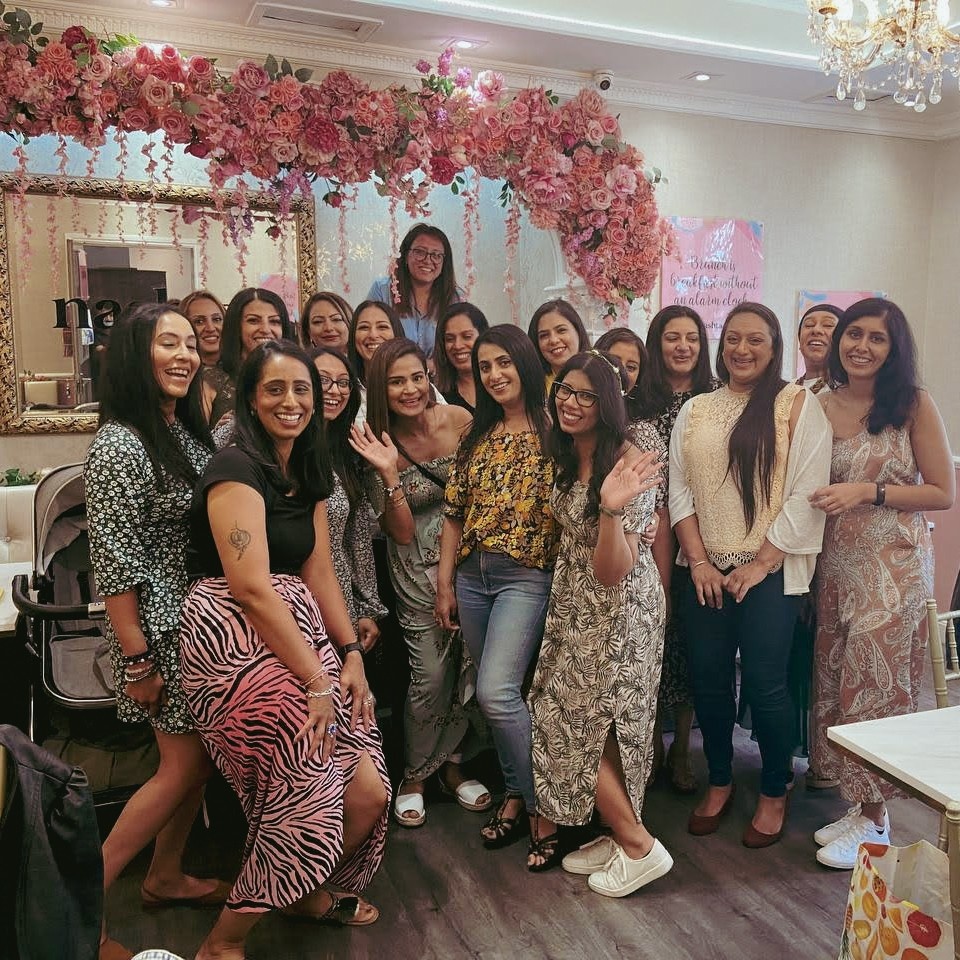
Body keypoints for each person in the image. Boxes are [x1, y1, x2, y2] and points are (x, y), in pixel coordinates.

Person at [179, 340, 389, 959]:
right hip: (229, 634)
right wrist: (316, 681)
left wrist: (349, 653)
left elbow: (318, 568)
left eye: (302, 389)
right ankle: (224, 942)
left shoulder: (307, 465)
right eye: (274, 389)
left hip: (296, 628)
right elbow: (249, 586)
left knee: (368, 791)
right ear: (250, 399)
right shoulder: (235, 467)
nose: (291, 401)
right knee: (306, 788)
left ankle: (298, 891)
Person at [83, 303, 221, 960]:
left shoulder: (180, 432)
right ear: (137, 355)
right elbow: (113, 561)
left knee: (197, 765)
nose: (185, 355)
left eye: (190, 344)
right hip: (155, 631)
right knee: (181, 766)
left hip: (190, 623)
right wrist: (137, 659)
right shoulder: (120, 443)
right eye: (169, 343)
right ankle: (76, 907)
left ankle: (164, 876)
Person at [669, 302, 832, 848]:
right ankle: (719, 779)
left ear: (774, 346)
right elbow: (679, 490)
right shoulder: (696, 409)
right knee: (710, 679)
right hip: (706, 571)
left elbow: (807, 491)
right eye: (733, 339)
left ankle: (773, 787)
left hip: (772, 571)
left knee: (766, 684)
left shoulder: (797, 405)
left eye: (755, 340)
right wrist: (698, 560)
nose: (742, 349)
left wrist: (760, 562)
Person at [808, 298, 954, 870]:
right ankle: (858, 805)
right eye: (854, 334)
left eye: (877, 338)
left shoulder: (913, 404)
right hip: (834, 565)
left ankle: (875, 820)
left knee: (875, 686)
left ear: (894, 350)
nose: (862, 346)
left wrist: (869, 492)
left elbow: (941, 492)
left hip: (893, 565)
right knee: (836, 683)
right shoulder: (819, 404)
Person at [530, 350, 671, 893]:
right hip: (576, 607)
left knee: (574, 723)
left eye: (586, 395)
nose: (571, 403)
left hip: (618, 614)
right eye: (565, 390)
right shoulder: (569, 450)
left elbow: (614, 571)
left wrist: (611, 510)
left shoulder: (630, 461)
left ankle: (639, 846)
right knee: (593, 725)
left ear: (607, 402)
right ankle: (618, 834)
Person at [350, 338, 489, 828]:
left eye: (417, 377)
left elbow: (483, 493)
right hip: (414, 567)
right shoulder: (372, 441)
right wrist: (390, 474)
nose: (410, 389)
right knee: (429, 675)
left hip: (470, 558)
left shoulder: (460, 420)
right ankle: (415, 775)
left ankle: (453, 766)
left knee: (470, 667)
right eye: (396, 382)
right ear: (379, 389)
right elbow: (402, 531)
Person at [435, 325, 558, 863]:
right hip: (472, 576)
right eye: (485, 366)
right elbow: (453, 513)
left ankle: (541, 808)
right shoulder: (476, 433)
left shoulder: (556, 429)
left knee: (497, 693)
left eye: (504, 362)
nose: (494, 374)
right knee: (498, 698)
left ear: (525, 363)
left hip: (525, 577)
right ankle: (514, 794)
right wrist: (445, 582)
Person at [639, 305, 721, 793]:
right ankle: (649, 744)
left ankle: (683, 749)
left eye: (692, 337)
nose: (683, 346)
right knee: (652, 645)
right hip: (645, 539)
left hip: (700, 541)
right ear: (657, 343)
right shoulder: (636, 401)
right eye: (672, 337)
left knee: (691, 648)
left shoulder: (716, 398)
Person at [310, 346, 387, 653]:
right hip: (288, 598)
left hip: (340, 600)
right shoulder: (273, 447)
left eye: (343, 383)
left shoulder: (346, 450)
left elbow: (357, 538)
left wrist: (366, 606)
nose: (335, 390)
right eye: (323, 380)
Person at [202, 287, 297, 433]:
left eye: (274, 321)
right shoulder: (209, 380)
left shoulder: (298, 376)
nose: (265, 329)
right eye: (253, 320)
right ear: (236, 326)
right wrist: (220, 434)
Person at [366, 224, 463, 357]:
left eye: (436, 255)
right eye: (420, 252)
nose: (427, 260)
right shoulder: (382, 290)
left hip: (439, 370)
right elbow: (370, 339)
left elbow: (459, 347)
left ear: (444, 263)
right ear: (405, 256)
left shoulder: (455, 298)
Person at [434, 302, 490, 412]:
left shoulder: (500, 383)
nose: (458, 345)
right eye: (450, 339)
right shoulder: (437, 396)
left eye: (467, 336)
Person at [527, 299, 591, 389]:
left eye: (561, 330)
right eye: (544, 335)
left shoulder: (601, 376)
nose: (553, 340)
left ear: (578, 331)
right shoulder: (531, 387)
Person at [594, 328, 648, 421]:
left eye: (631, 367)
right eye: (614, 362)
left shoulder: (642, 427)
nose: (621, 372)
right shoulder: (573, 406)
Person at [796, 303, 842, 393]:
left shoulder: (849, 391)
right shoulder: (785, 390)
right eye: (809, 325)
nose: (816, 330)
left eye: (828, 325)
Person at [180, 290, 225, 368]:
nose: (211, 328)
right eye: (199, 321)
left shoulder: (244, 368)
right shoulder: (178, 371)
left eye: (216, 319)